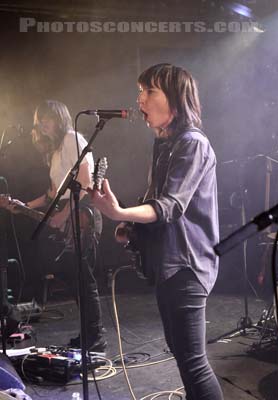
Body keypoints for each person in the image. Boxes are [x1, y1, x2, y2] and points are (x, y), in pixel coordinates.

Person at [89, 63, 223, 400]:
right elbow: (154, 201)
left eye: (149, 91)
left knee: (193, 362)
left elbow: (171, 206)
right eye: (140, 91)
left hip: (187, 266)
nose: (140, 100)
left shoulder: (192, 143)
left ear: (176, 100)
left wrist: (119, 211)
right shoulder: (164, 143)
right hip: (169, 264)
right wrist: (129, 226)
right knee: (181, 353)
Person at [12, 100, 105, 351]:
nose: (42, 124)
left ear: (58, 117)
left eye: (47, 118)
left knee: (83, 278)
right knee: (72, 276)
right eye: (39, 120)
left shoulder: (72, 139)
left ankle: (96, 339)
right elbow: (54, 194)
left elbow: (86, 183)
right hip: (68, 212)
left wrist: (64, 215)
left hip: (81, 214)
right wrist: (22, 204)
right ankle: (89, 335)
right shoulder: (54, 152)